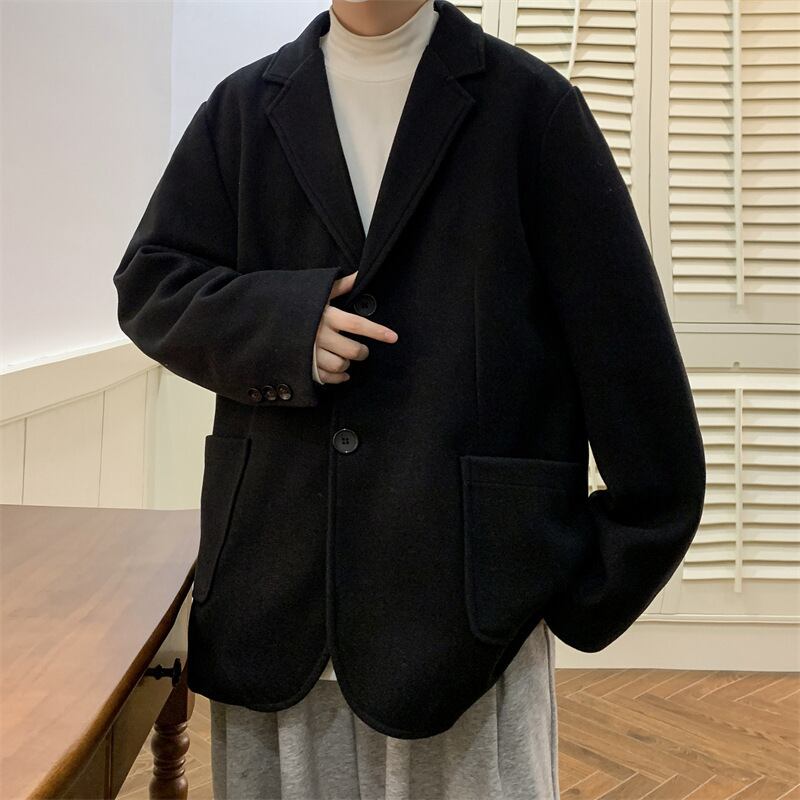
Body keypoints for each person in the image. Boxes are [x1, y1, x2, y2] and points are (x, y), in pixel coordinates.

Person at [114, 0, 706, 797]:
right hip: (275, 590)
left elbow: (629, 361)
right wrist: (285, 325)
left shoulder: (531, 110)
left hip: (464, 624)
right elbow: (152, 284)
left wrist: (567, 586)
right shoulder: (243, 109)